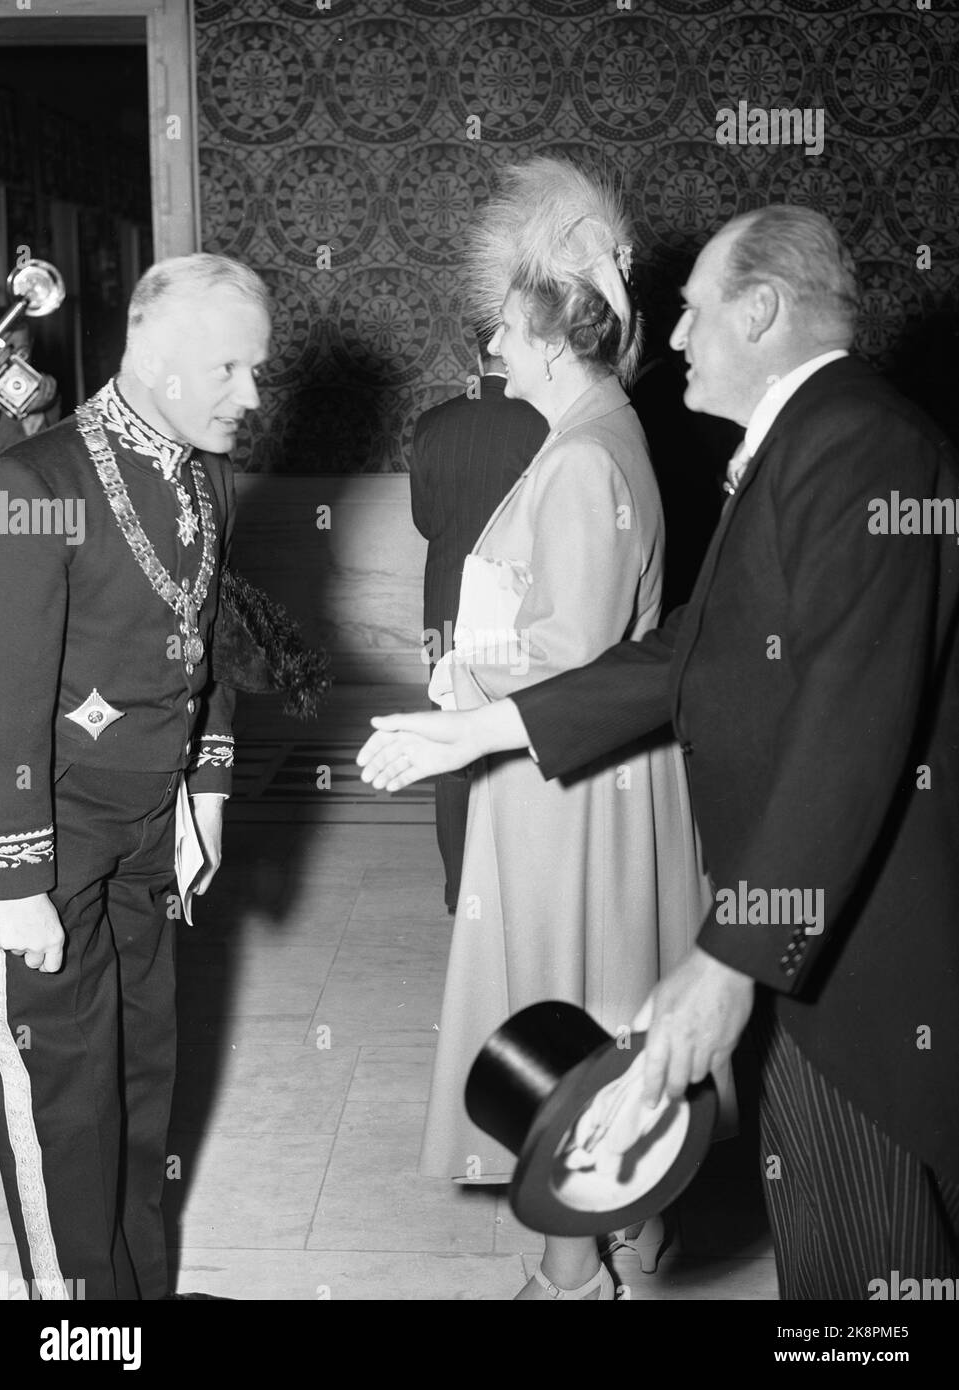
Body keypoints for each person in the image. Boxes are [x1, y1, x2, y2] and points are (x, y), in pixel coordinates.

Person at [358, 205, 959, 1300]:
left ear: (763, 310)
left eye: (692, 312)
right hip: (802, 931)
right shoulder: (801, 440)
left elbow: (849, 728)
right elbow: (684, 651)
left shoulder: (865, 445)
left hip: (856, 960)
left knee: (875, 1265)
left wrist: (729, 963)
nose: (668, 336)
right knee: (827, 1245)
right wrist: (484, 725)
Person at [415, 158, 712, 1301]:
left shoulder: (586, 453)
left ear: (538, 330)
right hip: (575, 781)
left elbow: (577, 665)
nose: (490, 338)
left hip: (566, 794)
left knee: (566, 1008)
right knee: (601, 1001)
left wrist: (463, 690)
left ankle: (569, 1261)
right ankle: (639, 1229)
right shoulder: (590, 427)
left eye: (500, 321)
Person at [0, 252, 270, 1300]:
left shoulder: (206, 471)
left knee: (145, 1074)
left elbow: (213, 634)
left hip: (152, 827)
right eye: (231, 368)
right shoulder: (32, 482)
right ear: (152, 357)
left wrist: (206, 786)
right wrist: (13, 878)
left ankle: (141, 1298)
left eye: (259, 369)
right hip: (51, 840)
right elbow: (3, 691)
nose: (253, 395)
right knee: (71, 1098)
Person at [410, 326, 546, 913]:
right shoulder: (548, 422)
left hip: (446, 605)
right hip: (520, 605)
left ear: (476, 353)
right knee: (524, 736)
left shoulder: (433, 423)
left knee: (452, 746)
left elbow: (426, 520)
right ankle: (523, 886)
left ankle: (460, 889)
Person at [0, 320, 62, 458]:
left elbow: (45, 458)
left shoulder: (43, 392)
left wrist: (33, 414)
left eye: (22, 351)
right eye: (6, 348)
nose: (14, 357)